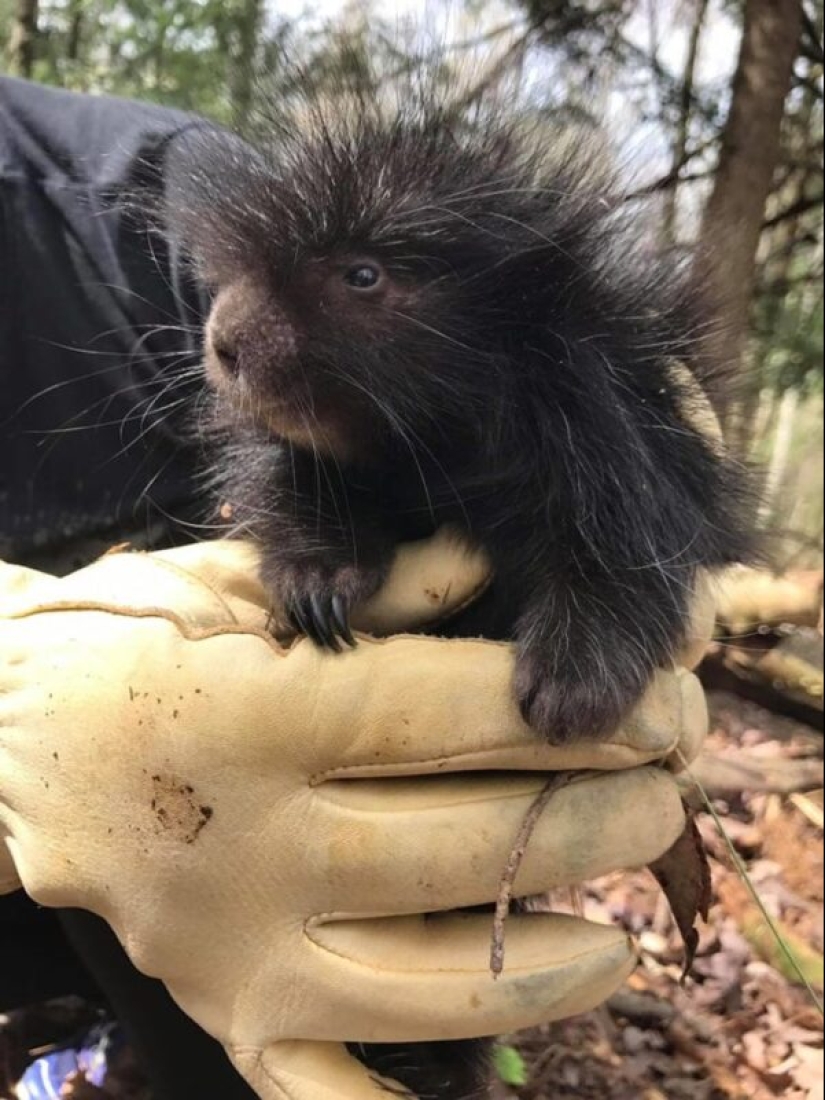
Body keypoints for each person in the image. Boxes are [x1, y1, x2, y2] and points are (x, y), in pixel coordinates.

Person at [0, 74, 712, 1099]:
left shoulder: (114, 202)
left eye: (363, 279)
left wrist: (615, 592)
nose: (227, 329)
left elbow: (658, 523)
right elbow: (285, 482)